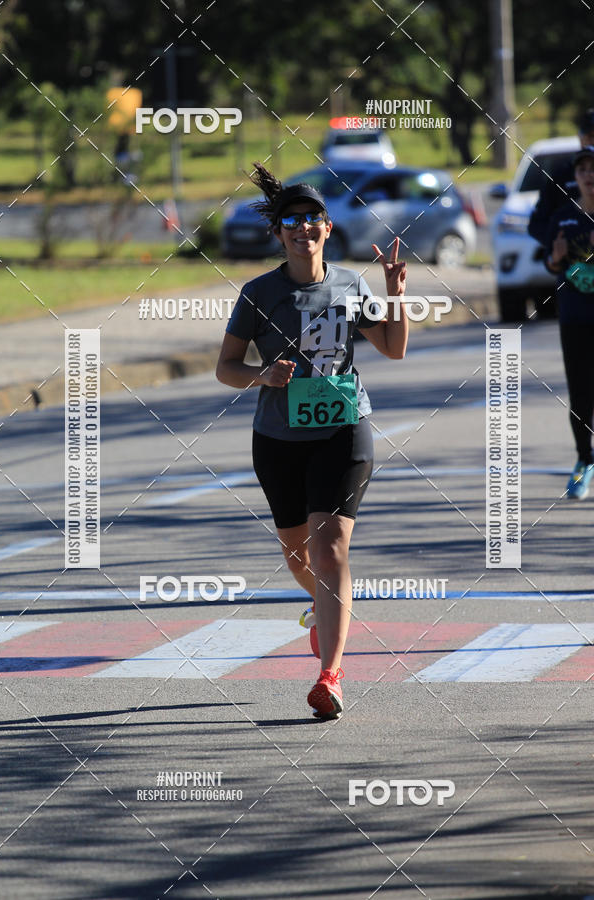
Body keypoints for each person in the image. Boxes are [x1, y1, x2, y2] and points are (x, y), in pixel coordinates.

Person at [216, 163, 408, 719]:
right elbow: (226, 367)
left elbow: (393, 348)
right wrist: (261, 376)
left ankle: (331, 675)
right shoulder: (259, 293)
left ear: (328, 227)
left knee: (331, 550)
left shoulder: (350, 284)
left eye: (312, 219)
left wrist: (395, 295)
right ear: (279, 234)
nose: (303, 228)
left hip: (344, 430)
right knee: (299, 557)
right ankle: (323, 607)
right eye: (291, 221)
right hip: (279, 438)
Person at [544, 145, 594, 499]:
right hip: (575, 318)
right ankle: (584, 460)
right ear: (576, 177)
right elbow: (551, 264)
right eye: (583, 170)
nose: (589, 176)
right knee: (580, 395)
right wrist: (555, 258)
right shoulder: (563, 217)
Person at [528, 109, 594, 246]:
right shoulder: (561, 177)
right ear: (580, 137)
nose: (588, 175)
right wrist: (565, 244)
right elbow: (537, 224)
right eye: (590, 136)